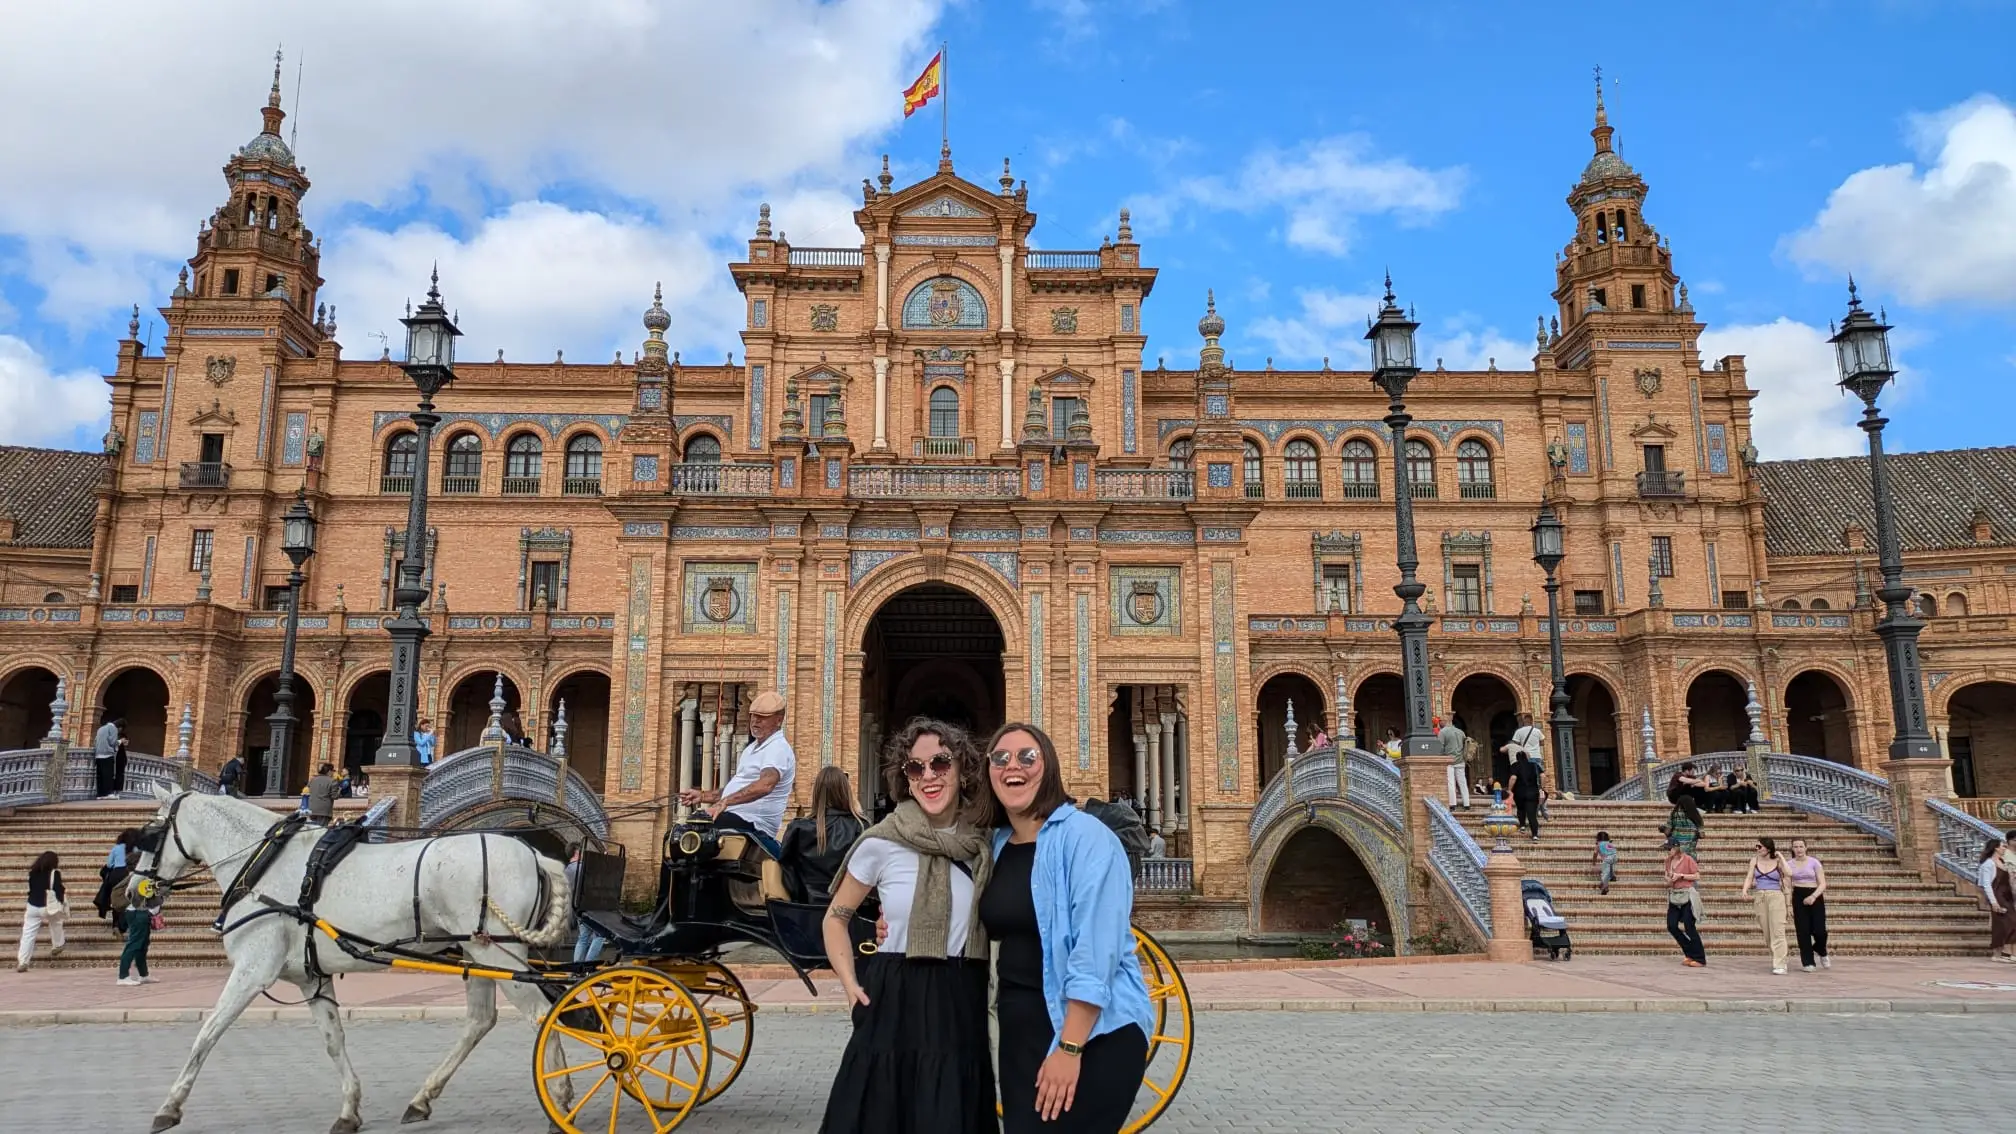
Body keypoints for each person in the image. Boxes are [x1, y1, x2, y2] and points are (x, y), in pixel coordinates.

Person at [819, 719, 995, 1134]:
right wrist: (849, 986)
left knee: (949, 1110)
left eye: (940, 763)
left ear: (962, 769)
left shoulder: (983, 846)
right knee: (883, 1110)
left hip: (960, 993)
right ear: (905, 777)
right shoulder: (882, 842)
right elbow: (835, 918)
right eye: (916, 768)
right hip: (894, 993)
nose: (929, 776)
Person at [981, 722, 1153, 1134]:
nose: (1012, 767)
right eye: (1000, 759)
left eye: (1027, 756)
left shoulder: (1086, 838)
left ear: (1050, 767)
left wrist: (1070, 1047)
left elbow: (1095, 951)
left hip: (1091, 1034)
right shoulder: (996, 845)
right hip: (1021, 1036)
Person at [679, 690, 797, 852]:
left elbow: (765, 785)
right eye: (753, 716)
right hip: (734, 817)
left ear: (778, 720)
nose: (755, 721)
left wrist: (724, 803)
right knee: (677, 839)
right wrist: (703, 795)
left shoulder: (777, 748)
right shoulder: (752, 749)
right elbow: (738, 789)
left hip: (752, 823)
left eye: (762, 717)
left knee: (695, 836)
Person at [780, 766, 866, 904]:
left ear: (817, 792)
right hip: (848, 910)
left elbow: (786, 873)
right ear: (845, 791)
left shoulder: (798, 828)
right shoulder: (860, 827)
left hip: (806, 907)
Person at [1742, 836, 1793, 975]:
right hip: (1760, 896)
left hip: (1776, 896)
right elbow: (1749, 876)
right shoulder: (1754, 860)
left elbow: (1789, 873)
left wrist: (1781, 857)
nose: (1757, 849)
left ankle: (1780, 963)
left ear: (1768, 848)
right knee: (1767, 932)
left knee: (1778, 930)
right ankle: (1778, 957)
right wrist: (1745, 889)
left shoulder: (1777, 861)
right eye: (1756, 847)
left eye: (1760, 847)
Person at [16, 851, 66, 971]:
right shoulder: (55, 873)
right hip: (47, 906)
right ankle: (58, 944)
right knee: (56, 922)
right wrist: (61, 901)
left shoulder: (32, 873)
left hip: (32, 905)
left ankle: (23, 961)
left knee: (28, 934)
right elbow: (58, 889)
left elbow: (31, 889)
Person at [1786, 837, 1830, 972]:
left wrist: (1813, 896)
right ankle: (1808, 961)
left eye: (1801, 846)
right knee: (1803, 931)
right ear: (1792, 849)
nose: (1798, 849)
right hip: (1798, 895)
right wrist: (1788, 905)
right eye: (1795, 846)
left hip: (1815, 895)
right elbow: (1787, 885)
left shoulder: (1814, 862)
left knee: (1820, 931)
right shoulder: (1789, 864)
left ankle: (1821, 950)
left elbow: (1822, 883)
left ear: (1806, 848)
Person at [1663, 837, 1705, 967]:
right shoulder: (1668, 861)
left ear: (1676, 848)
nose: (1668, 851)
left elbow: (1697, 875)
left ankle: (1699, 958)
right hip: (1675, 895)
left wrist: (1681, 876)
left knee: (1689, 926)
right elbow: (1667, 876)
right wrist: (1669, 879)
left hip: (1687, 895)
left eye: (1670, 848)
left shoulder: (1687, 859)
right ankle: (1689, 952)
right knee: (1672, 925)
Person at [565, 846, 607, 966]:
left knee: (583, 938)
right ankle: (588, 966)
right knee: (600, 935)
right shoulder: (582, 867)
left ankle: (577, 967)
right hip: (590, 908)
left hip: (577, 909)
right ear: (576, 852)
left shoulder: (567, 871)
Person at [92, 829, 140, 927]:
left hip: (116, 874)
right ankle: (128, 923)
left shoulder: (116, 848)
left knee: (116, 899)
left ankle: (116, 925)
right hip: (130, 874)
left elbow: (109, 865)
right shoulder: (137, 849)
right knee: (130, 898)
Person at [117, 878, 158, 986]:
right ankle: (123, 976)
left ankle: (143, 974)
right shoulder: (139, 877)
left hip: (142, 912)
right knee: (134, 944)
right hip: (138, 913)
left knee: (142, 945)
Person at [1978, 838, 2014, 962]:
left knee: (2010, 923)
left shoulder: (2002, 861)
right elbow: (1987, 884)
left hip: (2007, 895)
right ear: (1996, 848)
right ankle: (2000, 953)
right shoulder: (1988, 864)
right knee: (2006, 923)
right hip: (1998, 895)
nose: (2005, 848)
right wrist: (1993, 902)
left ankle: (2005, 952)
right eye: (2003, 846)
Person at [1505, 748, 1542, 841]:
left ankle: (1522, 825)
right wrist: (1542, 787)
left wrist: (1509, 789)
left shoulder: (1515, 765)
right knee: (1532, 814)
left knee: (1521, 809)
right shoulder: (1534, 765)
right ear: (1527, 757)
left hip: (1520, 792)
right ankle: (1535, 835)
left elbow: (1513, 778)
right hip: (1533, 792)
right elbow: (1543, 776)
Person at [1435, 716, 1470, 809]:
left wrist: (1439, 757)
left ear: (1445, 721)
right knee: (1463, 782)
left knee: (1451, 782)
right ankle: (1467, 804)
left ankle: (1452, 804)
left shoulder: (1442, 732)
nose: (1439, 723)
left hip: (1449, 760)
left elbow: (1440, 747)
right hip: (1461, 760)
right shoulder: (1461, 732)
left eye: (1440, 721)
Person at [1500, 713, 1544, 782]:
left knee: (1526, 775)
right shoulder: (1537, 731)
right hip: (1536, 756)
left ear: (1524, 721)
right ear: (1532, 721)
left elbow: (1515, 744)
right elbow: (1542, 743)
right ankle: (1540, 788)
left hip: (1525, 756)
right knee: (1539, 773)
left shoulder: (1519, 731)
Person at [93, 714, 125, 798]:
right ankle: (109, 793)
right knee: (108, 775)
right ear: (120, 727)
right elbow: (112, 742)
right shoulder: (113, 728)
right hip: (107, 754)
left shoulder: (101, 728)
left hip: (98, 755)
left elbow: (95, 741)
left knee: (100, 776)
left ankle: (100, 794)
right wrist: (120, 741)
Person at [1592, 830, 1618, 896]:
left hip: (1607, 859)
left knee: (1605, 874)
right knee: (1611, 867)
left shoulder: (1598, 845)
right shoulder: (1609, 843)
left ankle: (1605, 887)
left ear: (1598, 838)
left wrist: (1594, 862)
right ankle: (1612, 876)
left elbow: (1595, 854)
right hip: (1614, 857)